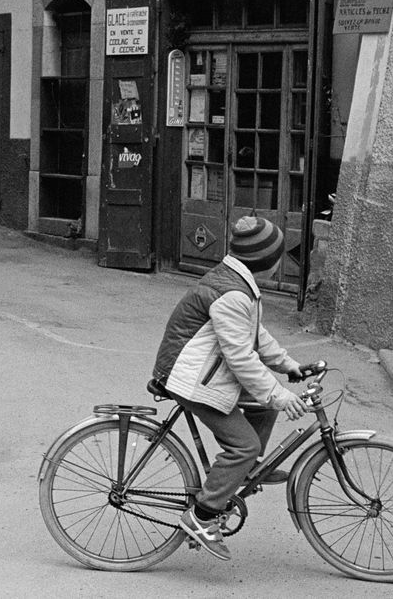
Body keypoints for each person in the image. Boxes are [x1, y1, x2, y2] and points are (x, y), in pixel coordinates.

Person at [151, 215, 313, 561]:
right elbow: (240, 357)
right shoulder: (233, 294)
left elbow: (254, 334)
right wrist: (281, 394)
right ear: (266, 261)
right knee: (244, 445)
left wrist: (287, 364)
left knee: (263, 406)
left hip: (203, 371)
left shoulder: (237, 282)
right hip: (189, 378)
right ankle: (202, 515)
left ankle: (243, 469)